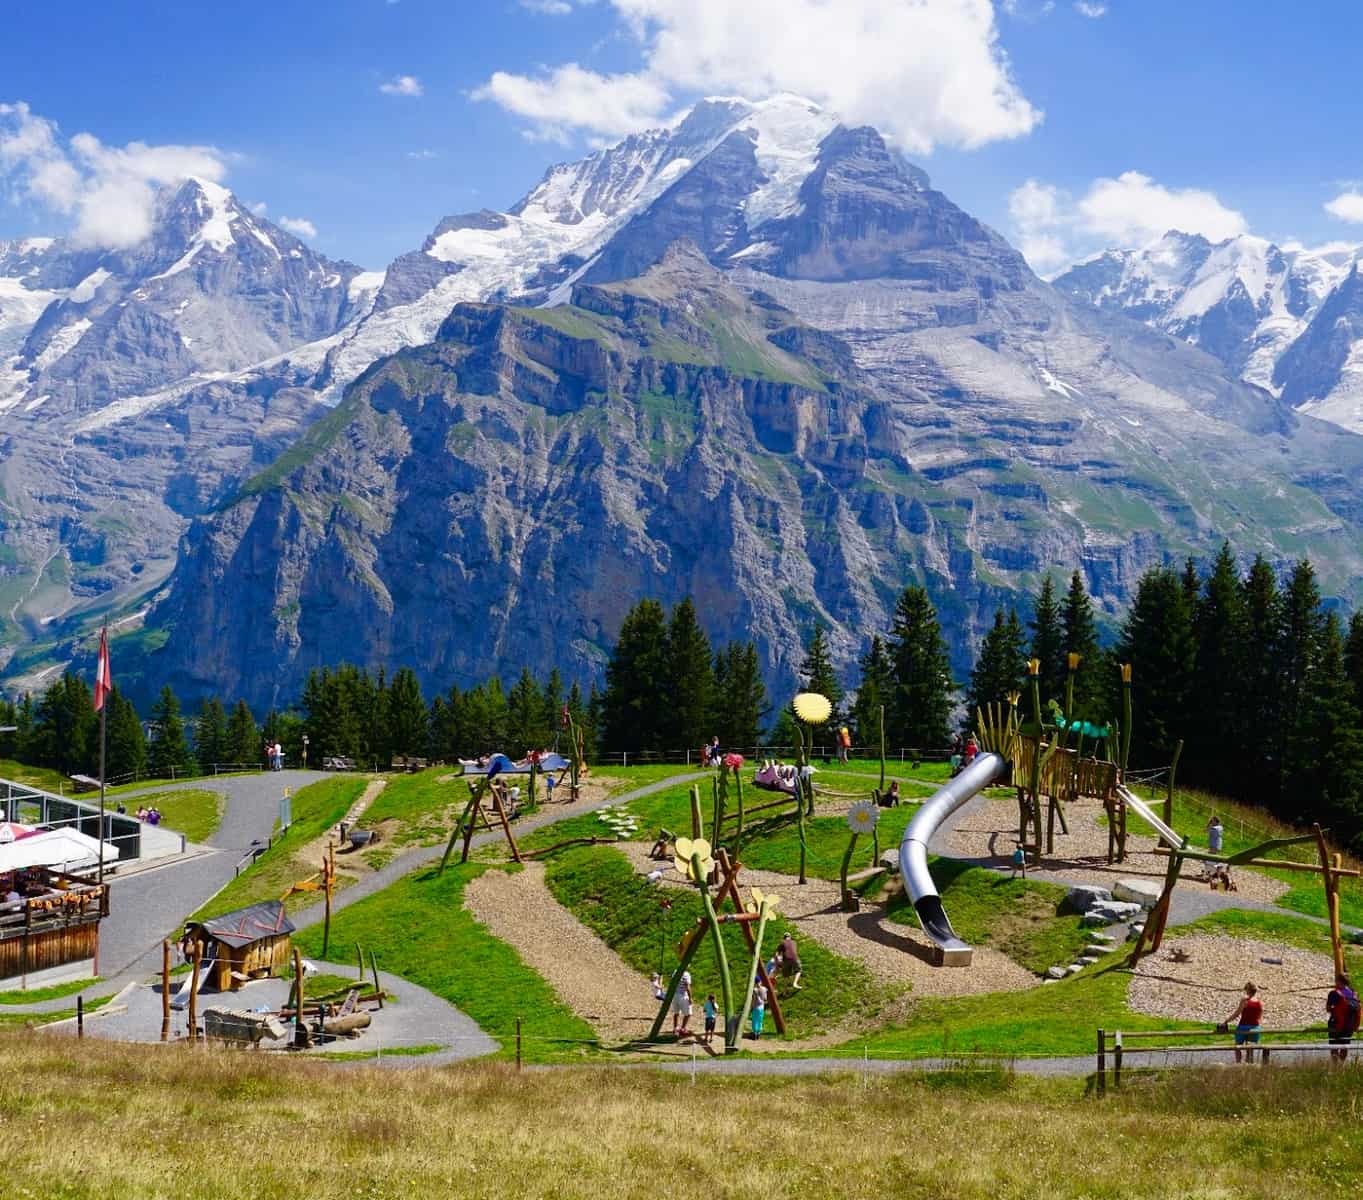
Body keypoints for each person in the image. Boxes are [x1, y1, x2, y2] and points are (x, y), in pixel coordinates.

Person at [1326, 972, 1360, 1062]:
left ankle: (1336, 1067)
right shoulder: (1354, 993)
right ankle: (1342, 1066)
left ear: (1338, 981)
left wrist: (1334, 1009)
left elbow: (1328, 1009)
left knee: (1334, 1046)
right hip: (1350, 1025)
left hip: (1336, 1024)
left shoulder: (1334, 993)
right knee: (1345, 1046)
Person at [1226, 982, 1263, 1063]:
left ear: (1247, 990)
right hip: (1255, 1028)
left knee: (1237, 1046)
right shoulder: (1259, 1002)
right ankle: (1249, 1064)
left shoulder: (1245, 1000)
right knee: (1250, 1049)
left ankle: (1239, 1063)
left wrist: (1226, 1021)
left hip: (1243, 1026)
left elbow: (1237, 1014)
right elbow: (1259, 1016)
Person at [670, 968, 693, 1037]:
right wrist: (690, 997)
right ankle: (683, 1029)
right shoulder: (687, 974)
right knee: (688, 1013)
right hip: (683, 995)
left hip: (675, 995)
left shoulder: (675, 971)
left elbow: (672, 981)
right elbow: (688, 987)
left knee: (676, 1013)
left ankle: (675, 1028)